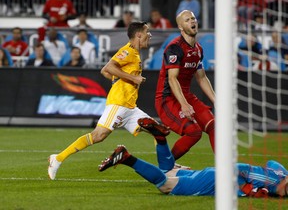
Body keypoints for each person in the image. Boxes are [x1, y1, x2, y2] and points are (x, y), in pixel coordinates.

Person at [48, 21, 171, 180]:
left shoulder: (134, 53)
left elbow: (107, 71)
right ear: (139, 35)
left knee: (157, 131)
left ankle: (168, 168)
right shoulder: (127, 51)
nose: (150, 35)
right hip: (119, 103)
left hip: (130, 107)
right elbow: (108, 68)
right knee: (98, 136)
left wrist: (119, 78)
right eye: (148, 32)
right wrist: (132, 78)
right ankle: (57, 159)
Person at [99, 121, 288, 198]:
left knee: (168, 171)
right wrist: (245, 187)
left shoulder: (280, 172)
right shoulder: (273, 182)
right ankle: (126, 158)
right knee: (165, 185)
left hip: (211, 175)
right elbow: (237, 168)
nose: (284, 194)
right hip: (215, 181)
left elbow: (271, 163)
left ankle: (160, 138)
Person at [155, 10, 215, 161]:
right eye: (187, 20)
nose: (192, 22)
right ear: (181, 27)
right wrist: (184, 104)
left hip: (186, 96)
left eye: (193, 18)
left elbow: (201, 78)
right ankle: (166, 165)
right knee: (194, 132)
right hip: (167, 98)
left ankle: (226, 170)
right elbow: (172, 79)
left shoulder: (198, 49)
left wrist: (216, 100)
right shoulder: (174, 48)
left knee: (215, 127)